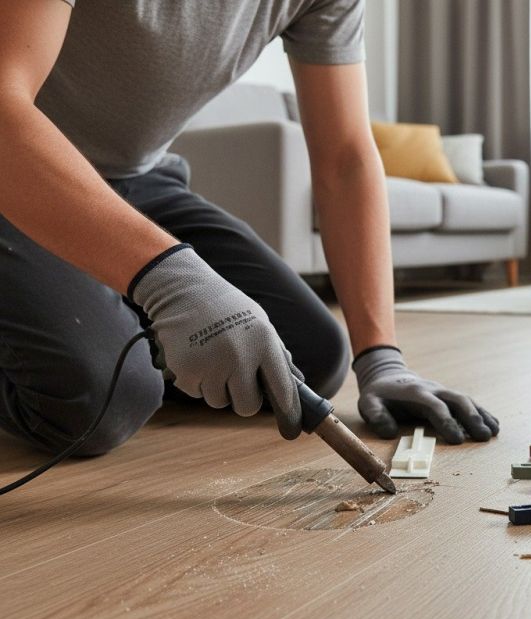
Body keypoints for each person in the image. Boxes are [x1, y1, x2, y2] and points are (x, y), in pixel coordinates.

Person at [0, 0, 499, 458]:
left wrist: (382, 359)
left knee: (309, 357)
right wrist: (171, 284)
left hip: (137, 179)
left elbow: (345, 159)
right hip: (15, 162)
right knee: (94, 402)